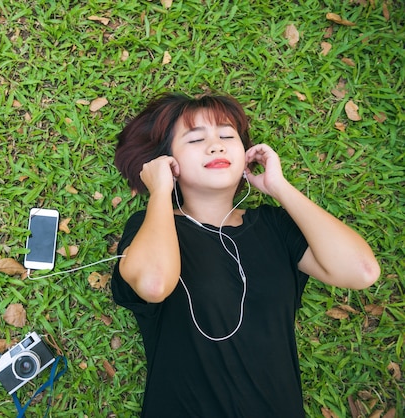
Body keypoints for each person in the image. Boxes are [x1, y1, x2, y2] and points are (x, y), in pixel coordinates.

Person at [111, 92, 380, 417]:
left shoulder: (275, 227)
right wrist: (160, 192)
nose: (216, 145)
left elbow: (362, 271)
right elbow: (153, 283)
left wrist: (280, 187)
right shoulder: (149, 227)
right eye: (196, 140)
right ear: (169, 163)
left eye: (227, 135)